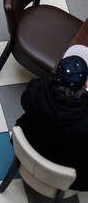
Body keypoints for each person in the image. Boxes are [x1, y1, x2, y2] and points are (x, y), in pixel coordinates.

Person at [17, 55, 88, 188]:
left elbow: (25, 102)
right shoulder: (84, 122)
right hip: (63, 168)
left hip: (31, 145)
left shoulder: (35, 89)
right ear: (84, 85)